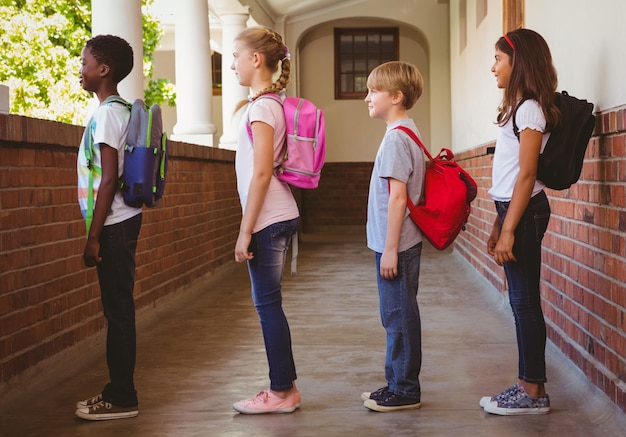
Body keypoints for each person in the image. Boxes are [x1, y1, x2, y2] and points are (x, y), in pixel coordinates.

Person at [480, 28, 557, 416]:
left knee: (525, 302)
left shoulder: (530, 108)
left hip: (525, 211)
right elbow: (509, 177)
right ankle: (529, 383)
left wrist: (509, 227)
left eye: (498, 59)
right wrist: (498, 224)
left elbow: (527, 174)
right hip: (513, 209)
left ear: (518, 63)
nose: (492, 66)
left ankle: (533, 390)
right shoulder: (516, 108)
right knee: (520, 300)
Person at [230, 26, 301, 415]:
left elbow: (261, 174)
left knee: (267, 306)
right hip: (278, 213)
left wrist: (245, 231)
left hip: (268, 218)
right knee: (269, 304)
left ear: (256, 59)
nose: (233, 66)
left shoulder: (262, 108)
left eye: (236, 56)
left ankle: (281, 392)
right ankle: (283, 388)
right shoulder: (273, 103)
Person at [74, 34, 142, 421]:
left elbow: (109, 178)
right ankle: (119, 391)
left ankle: (121, 396)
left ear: (104, 70)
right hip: (123, 221)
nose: (80, 69)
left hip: (113, 225)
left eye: (85, 62)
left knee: (117, 312)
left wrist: (94, 237)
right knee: (119, 308)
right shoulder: (122, 110)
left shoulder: (106, 115)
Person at [361, 61, 425, 412]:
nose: (367, 97)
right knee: (396, 314)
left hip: (396, 246)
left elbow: (398, 197)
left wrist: (389, 250)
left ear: (396, 97)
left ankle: (405, 389)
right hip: (398, 243)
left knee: (399, 316)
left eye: (374, 91)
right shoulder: (404, 133)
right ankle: (395, 382)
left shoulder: (397, 139)